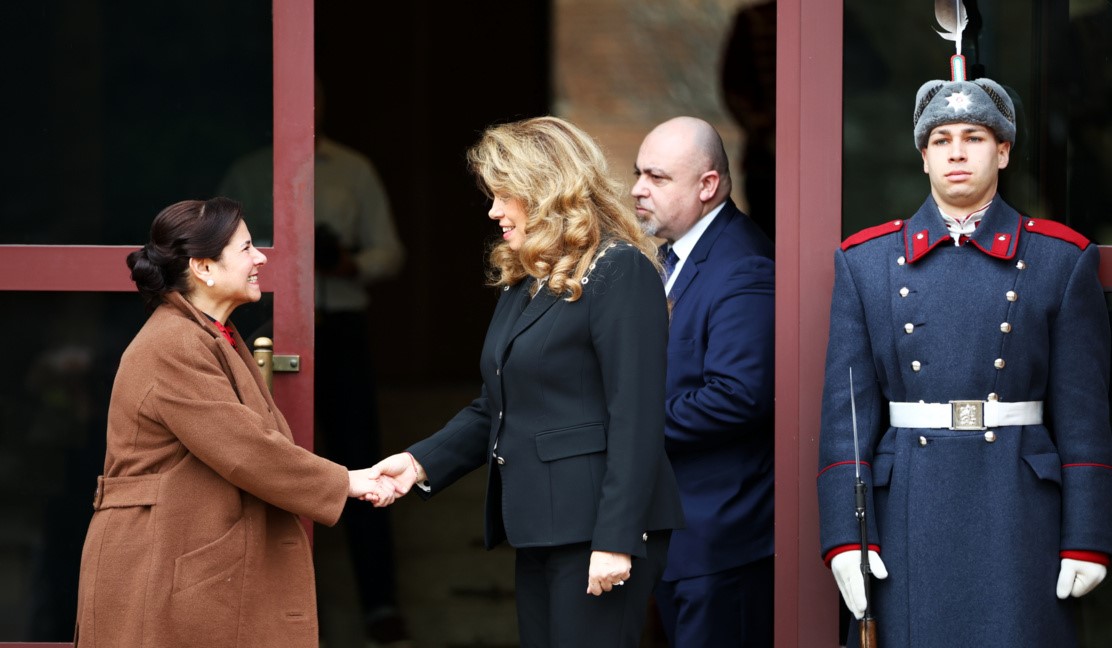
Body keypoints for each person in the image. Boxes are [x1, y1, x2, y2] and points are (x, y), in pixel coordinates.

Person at [817, 71, 1112, 646]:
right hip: (907, 509)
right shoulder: (865, 261)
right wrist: (845, 537)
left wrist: (1087, 537)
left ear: (1003, 152)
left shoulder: (1059, 258)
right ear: (924, 157)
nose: (957, 152)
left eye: (974, 137)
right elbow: (844, 419)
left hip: (1017, 506)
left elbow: (1084, 416)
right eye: (942, 139)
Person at [367, 116, 686, 647]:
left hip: (598, 533)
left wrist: (616, 538)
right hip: (542, 527)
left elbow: (636, 417)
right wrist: (420, 463)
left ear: (545, 190)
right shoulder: (527, 279)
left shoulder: (620, 269)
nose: (493, 211)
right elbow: (496, 404)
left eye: (503, 195)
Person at [73, 198, 394, 648]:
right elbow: (245, 449)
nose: (261, 257)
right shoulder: (174, 342)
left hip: (175, 559)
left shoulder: (206, 333)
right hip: (153, 565)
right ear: (204, 268)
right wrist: (346, 482)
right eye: (246, 248)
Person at [218, 79, 409, 645]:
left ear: (325, 103)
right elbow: (213, 248)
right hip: (265, 327)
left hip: (341, 327)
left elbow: (390, 252)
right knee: (269, 458)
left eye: (315, 96)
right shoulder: (247, 172)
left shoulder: (354, 169)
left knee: (362, 459)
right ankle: (268, 606)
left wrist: (347, 262)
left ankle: (379, 604)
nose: (307, 106)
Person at [631, 116, 776, 647]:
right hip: (681, 534)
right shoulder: (675, 255)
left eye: (657, 177)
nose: (637, 188)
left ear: (708, 185)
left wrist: (628, 428)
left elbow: (738, 396)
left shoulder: (743, 265)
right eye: (638, 173)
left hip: (721, 541)